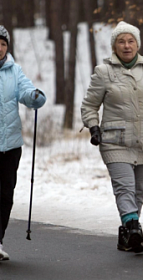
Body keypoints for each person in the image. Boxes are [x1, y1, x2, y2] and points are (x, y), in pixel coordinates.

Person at [81, 21, 143, 253]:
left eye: (131, 41)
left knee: (138, 191)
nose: (126, 46)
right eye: (121, 41)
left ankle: (127, 234)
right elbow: (89, 106)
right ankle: (134, 227)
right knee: (125, 187)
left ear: (138, 44)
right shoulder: (103, 72)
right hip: (115, 141)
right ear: (114, 46)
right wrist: (93, 127)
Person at [0, 25, 46, 261]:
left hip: (10, 145)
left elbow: (26, 90)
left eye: (3, 44)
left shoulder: (14, 70)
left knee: (5, 195)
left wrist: (34, 96)